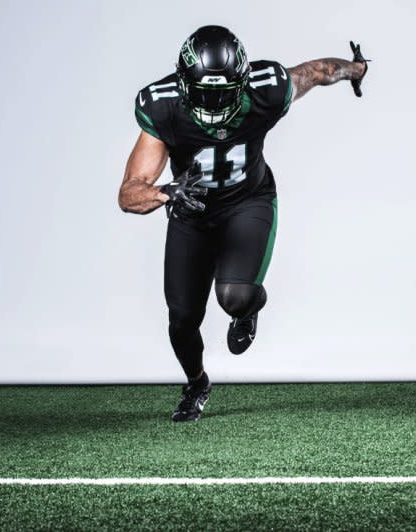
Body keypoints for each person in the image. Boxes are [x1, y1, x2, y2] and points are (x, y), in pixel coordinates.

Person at [118, 25, 368, 421]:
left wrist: (356, 70)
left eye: (223, 93)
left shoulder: (266, 89)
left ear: (243, 82)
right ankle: (197, 382)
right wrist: (167, 192)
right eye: (205, 93)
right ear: (183, 84)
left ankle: (248, 309)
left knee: (233, 296)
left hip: (247, 202)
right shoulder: (162, 106)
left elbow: (319, 71)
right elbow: (129, 192)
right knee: (182, 321)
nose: (214, 105)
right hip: (192, 212)